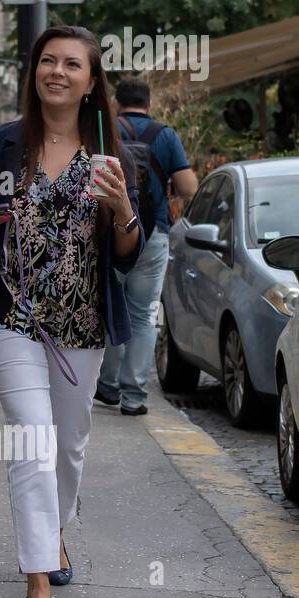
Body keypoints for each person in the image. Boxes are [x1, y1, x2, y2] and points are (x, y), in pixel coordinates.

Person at [0, 25, 142, 598]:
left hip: (81, 327)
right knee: (32, 442)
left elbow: (127, 255)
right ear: (34, 71)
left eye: (72, 65)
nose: (56, 72)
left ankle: (55, 532)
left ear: (91, 83)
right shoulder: (0, 145)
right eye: (47, 61)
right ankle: (37, 580)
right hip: (9, 319)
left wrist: (122, 212)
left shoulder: (114, 157)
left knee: (68, 447)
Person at [95, 78, 198, 416]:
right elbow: (188, 187)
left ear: (116, 104)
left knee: (111, 305)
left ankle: (106, 385)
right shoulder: (164, 135)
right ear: (149, 104)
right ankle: (134, 396)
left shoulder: (105, 132)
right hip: (153, 235)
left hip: (112, 234)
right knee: (142, 314)